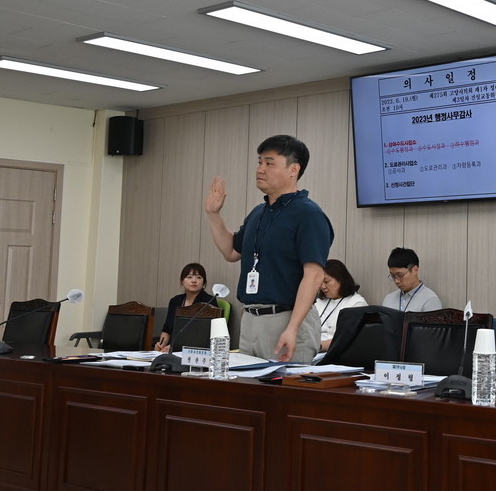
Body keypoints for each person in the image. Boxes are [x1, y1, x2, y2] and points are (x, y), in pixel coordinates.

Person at [205, 134, 332, 362]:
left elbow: (313, 276)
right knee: (248, 384)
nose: (260, 169)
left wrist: (292, 328)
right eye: (259, 162)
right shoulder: (258, 213)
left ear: (294, 169)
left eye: (269, 163)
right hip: (250, 319)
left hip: (286, 319)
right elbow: (231, 252)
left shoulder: (308, 214)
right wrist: (214, 214)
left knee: (285, 385)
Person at [153, 262, 217, 352]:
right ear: (182, 281)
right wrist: (161, 344)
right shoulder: (175, 301)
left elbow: (202, 335)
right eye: (189, 277)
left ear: (204, 282)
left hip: (197, 350)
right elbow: (167, 329)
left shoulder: (208, 301)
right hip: (173, 349)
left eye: (199, 277)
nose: (194, 280)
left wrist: (175, 347)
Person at [314, 259, 367, 351]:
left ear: (341, 279)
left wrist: (317, 346)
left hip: (334, 352)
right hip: (313, 350)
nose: (322, 287)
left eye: (326, 281)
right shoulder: (319, 302)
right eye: (320, 282)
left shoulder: (356, 303)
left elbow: (349, 338)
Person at [381, 247, 442, 313]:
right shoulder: (388, 299)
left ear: (415, 270)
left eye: (400, 275)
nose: (396, 281)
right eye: (393, 276)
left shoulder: (430, 300)